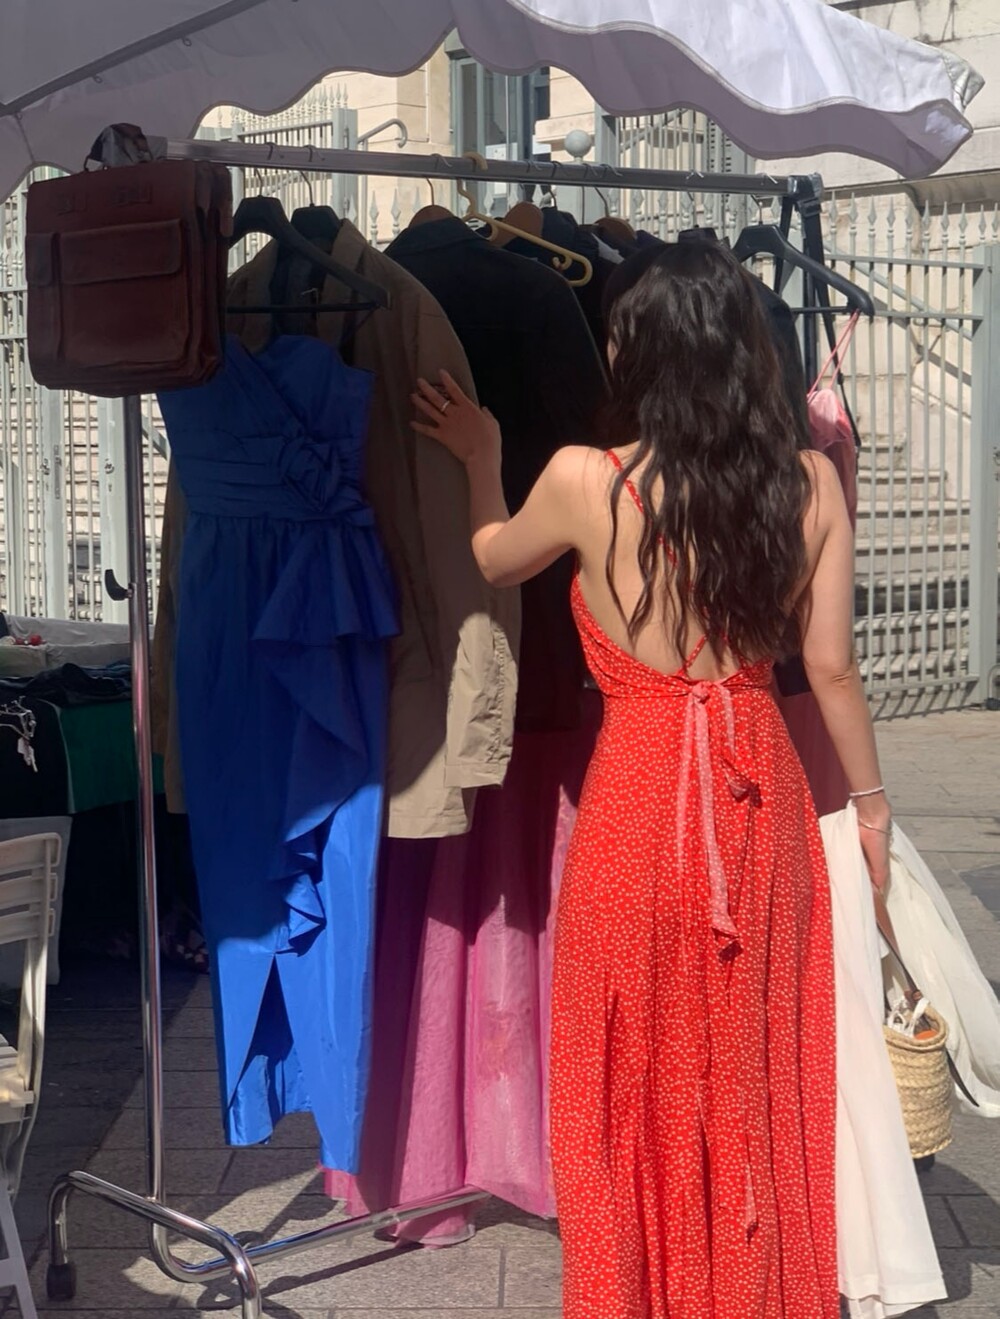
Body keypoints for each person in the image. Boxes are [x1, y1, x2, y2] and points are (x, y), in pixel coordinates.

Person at [412, 241, 891, 1319]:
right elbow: (830, 669)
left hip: (635, 803)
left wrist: (484, 453)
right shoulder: (809, 483)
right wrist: (871, 809)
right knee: (753, 1060)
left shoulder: (587, 479)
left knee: (628, 1060)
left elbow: (491, 557)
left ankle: (638, 1293)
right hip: (758, 796)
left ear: (644, 350)